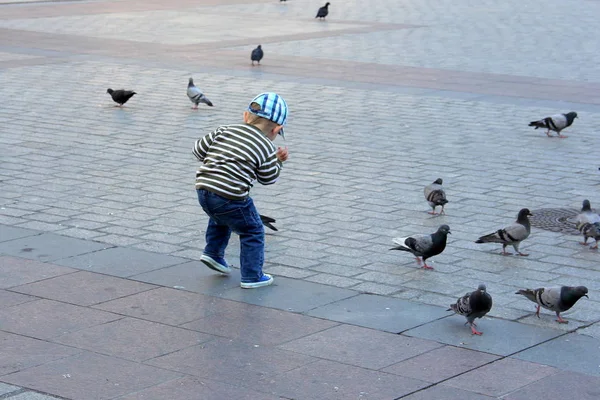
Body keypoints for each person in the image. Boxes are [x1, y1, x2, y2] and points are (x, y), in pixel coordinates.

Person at [193, 92, 289, 288]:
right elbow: (268, 178)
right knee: (252, 230)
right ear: (277, 129)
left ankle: (213, 254)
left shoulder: (224, 130)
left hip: (204, 189)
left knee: (221, 216)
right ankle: (252, 276)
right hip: (232, 196)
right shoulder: (265, 146)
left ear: (246, 116)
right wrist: (278, 161)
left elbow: (198, 150)